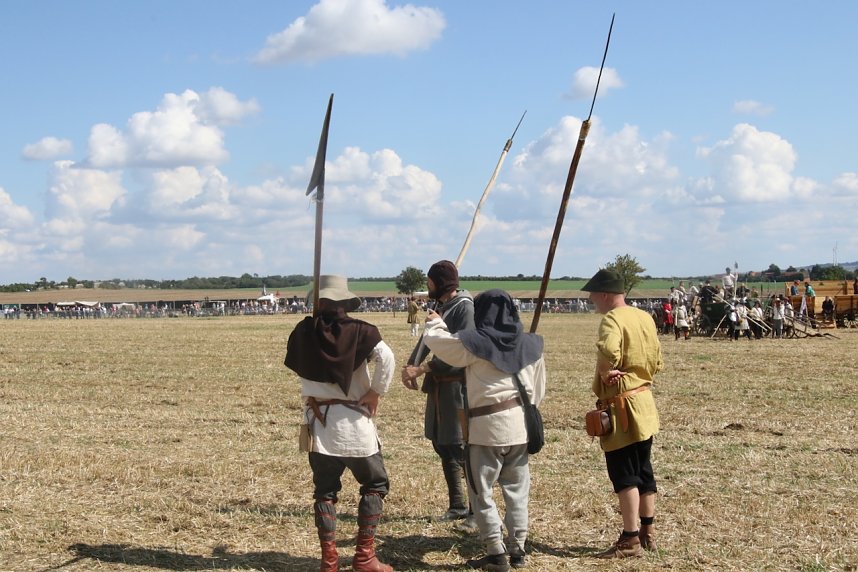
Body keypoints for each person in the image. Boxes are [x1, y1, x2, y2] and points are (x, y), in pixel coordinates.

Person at [424, 289, 546, 571]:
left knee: (481, 492)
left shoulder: (475, 344)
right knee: (517, 492)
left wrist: (434, 322)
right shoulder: (531, 345)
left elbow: (442, 345)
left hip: (486, 429)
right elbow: (537, 392)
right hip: (519, 428)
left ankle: (496, 552)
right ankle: (518, 549)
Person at [284, 275, 396, 572]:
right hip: (354, 423)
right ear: (345, 302)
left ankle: (329, 562)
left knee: (325, 492)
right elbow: (387, 357)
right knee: (375, 483)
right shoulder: (360, 331)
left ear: (318, 302)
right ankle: (364, 558)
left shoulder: (303, 332)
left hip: (320, 426)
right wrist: (375, 392)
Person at [582, 269, 663, 558]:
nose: (591, 300)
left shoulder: (612, 319)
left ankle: (630, 539)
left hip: (622, 408)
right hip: (644, 402)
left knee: (625, 474)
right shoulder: (644, 317)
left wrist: (606, 371)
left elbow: (608, 350)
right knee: (643, 470)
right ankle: (647, 531)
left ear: (605, 294)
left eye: (593, 295)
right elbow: (657, 360)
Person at [401, 260, 476, 524]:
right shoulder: (442, 306)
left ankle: (474, 510)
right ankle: (457, 504)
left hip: (456, 386)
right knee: (442, 443)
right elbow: (428, 338)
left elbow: (462, 350)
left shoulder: (464, 307)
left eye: (430, 281)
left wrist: (422, 369)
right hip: (440, 386)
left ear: (439, 282)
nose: (427, 285)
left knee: (458, 446)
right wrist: (411, 364)